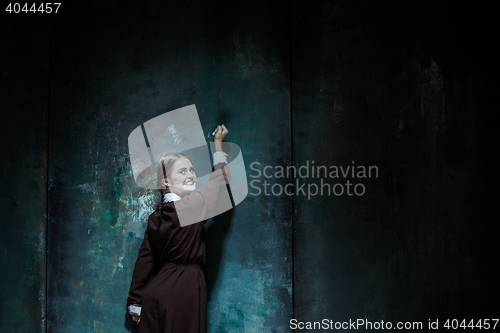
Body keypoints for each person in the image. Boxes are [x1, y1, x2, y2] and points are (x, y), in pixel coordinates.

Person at [126, 125, 230, 333]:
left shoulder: (156, 217)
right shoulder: (189, 207)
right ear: (166, 181)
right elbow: (219, 182)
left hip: (156, 293)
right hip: (184, 290)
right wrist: (219, 144)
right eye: (182, 171)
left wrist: (135, 301)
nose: (191, 175)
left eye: (191, 170)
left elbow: (145, 260)